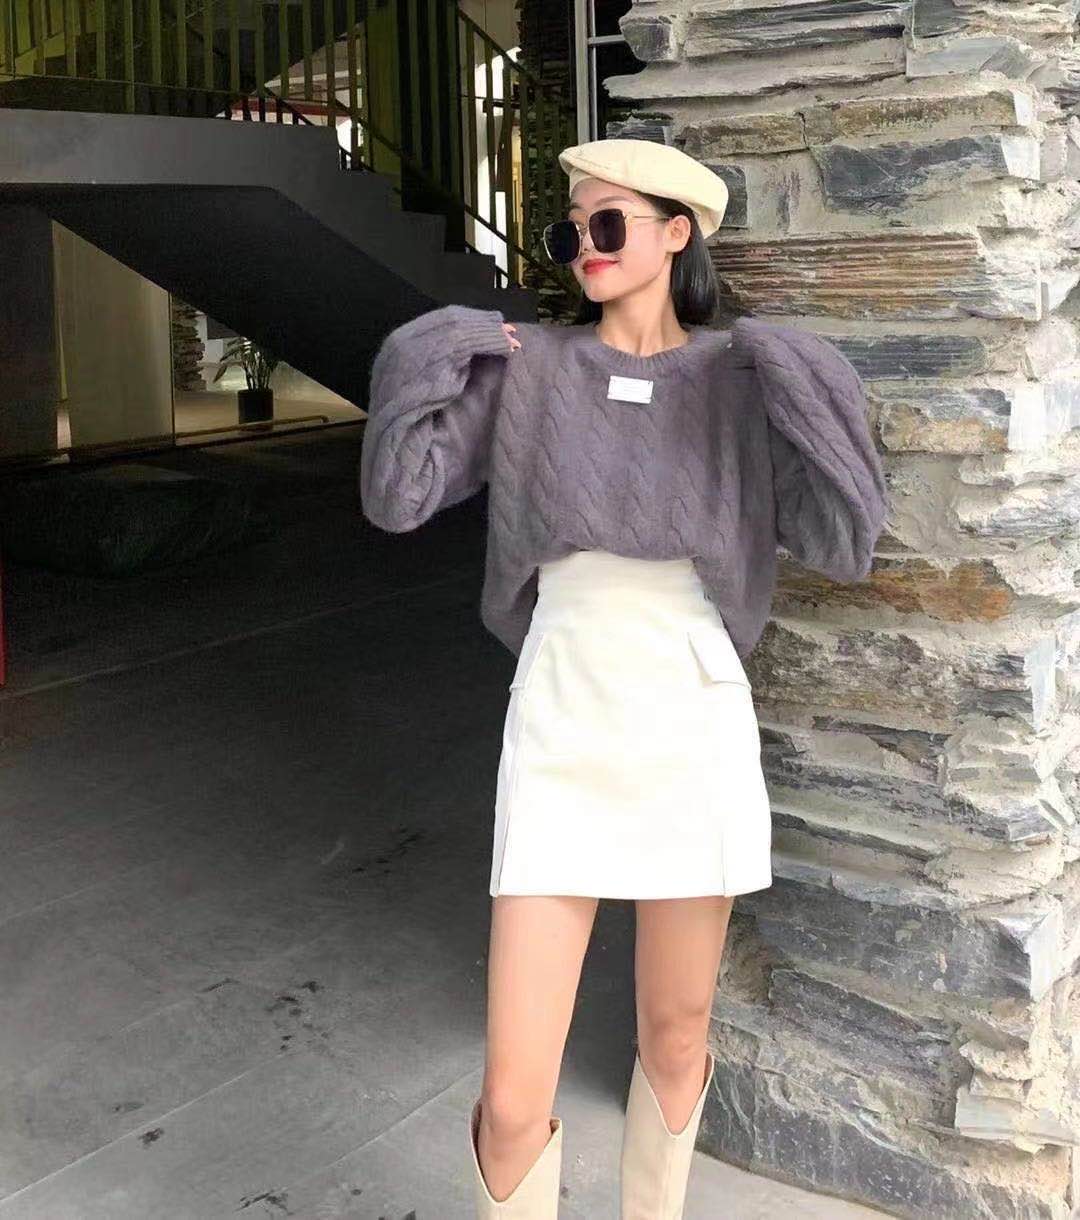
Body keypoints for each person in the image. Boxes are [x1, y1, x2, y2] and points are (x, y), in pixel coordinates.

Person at [359, 137, 888, 1219]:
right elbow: (398, 494)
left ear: (676, 232)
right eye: (571, 232)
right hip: (562, 708)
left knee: (677, 1032)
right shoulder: (534, 371)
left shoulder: (737, 383)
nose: (585, 248)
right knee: (514, 1095)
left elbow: (845, 536)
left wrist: (784, 363)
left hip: (691, 713)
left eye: (609, 225)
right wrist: (452, 338)